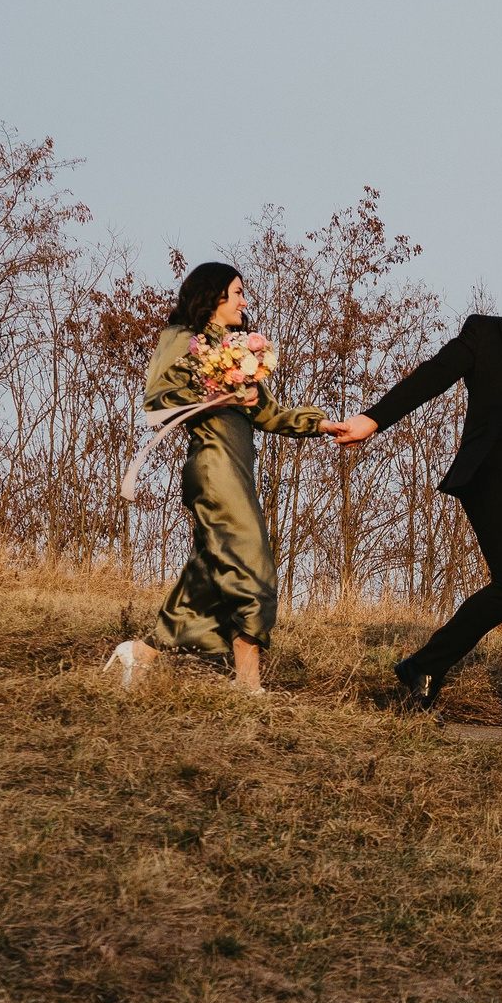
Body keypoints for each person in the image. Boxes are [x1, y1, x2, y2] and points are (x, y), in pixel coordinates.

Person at [325, 254, 502, 726]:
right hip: (494, 477)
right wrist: (373, 419)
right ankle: (424, 665)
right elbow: (432, 375)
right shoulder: (487, 335)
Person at [145, 262, 328, 694]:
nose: (245, 301)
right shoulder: (180, 339)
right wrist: (212, 396)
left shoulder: (237, 351)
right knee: (253, 563)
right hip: (212, 466)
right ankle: (248, 685)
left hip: (239, 468)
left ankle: (141, 653)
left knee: (207, 574)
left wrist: (322, 425)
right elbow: (157, 400)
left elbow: (267, 412)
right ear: (214, 297)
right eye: (238, 292)